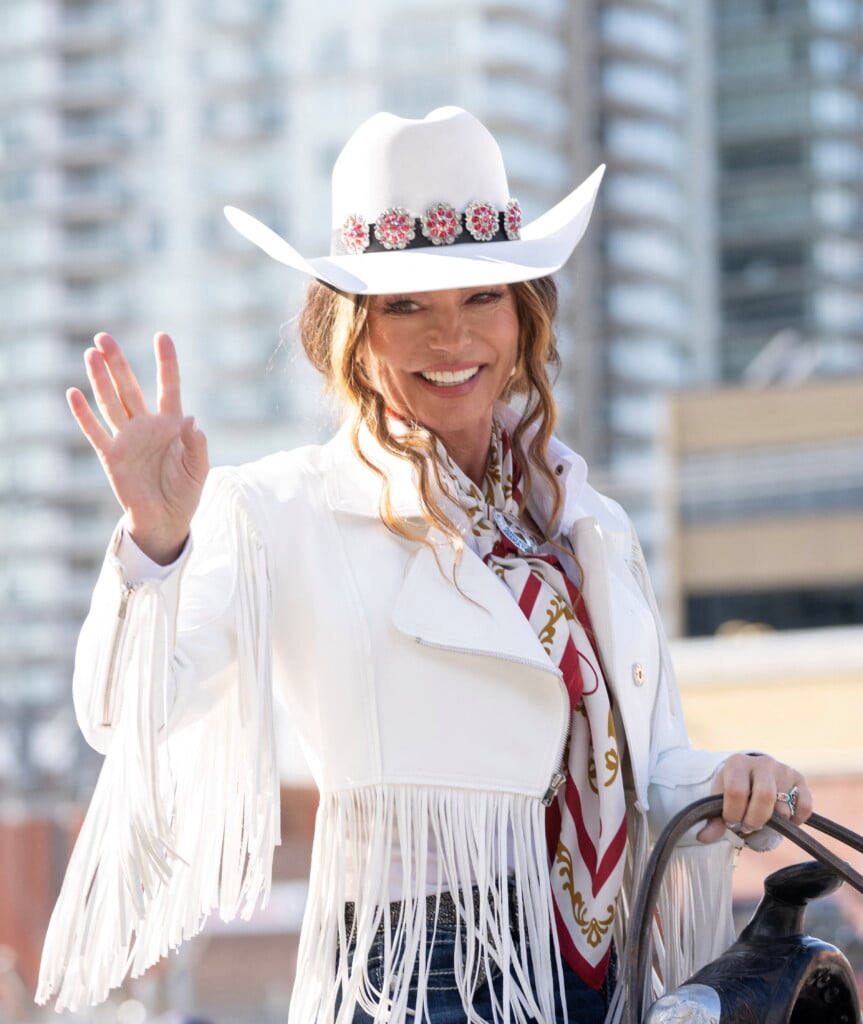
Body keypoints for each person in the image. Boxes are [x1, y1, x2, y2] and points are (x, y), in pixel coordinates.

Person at [37, 108, 812, 1024]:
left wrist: (731, 779)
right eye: (406, 306)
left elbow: (630, 770)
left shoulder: (583, 522)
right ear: (352, 332)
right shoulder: (285, 508)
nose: (451, 338)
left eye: (481, 298)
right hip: (419, 981)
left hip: (601, 976)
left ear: (524, 319)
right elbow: (120, 711)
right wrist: (155, 542)